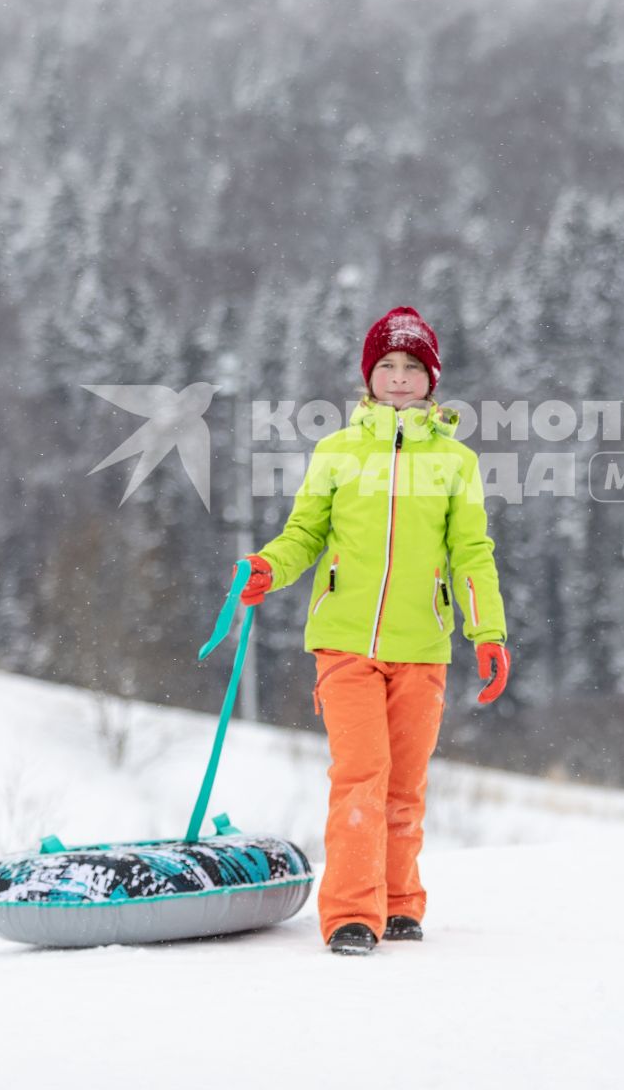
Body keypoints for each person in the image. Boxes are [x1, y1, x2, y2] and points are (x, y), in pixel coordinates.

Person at [241, 305, 509, 955]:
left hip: (422, 643)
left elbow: (472, 551)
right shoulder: (336, 452)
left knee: (405, 779)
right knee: (361, 770)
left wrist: (487, 632)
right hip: (344, 640)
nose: (397, 377)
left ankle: (398, 901)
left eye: (411, 367)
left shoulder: (456, 462)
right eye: (385, 365)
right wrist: (268, 568)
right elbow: (305, 533)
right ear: (367, 377)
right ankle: (352, 914)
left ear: (431, 381)